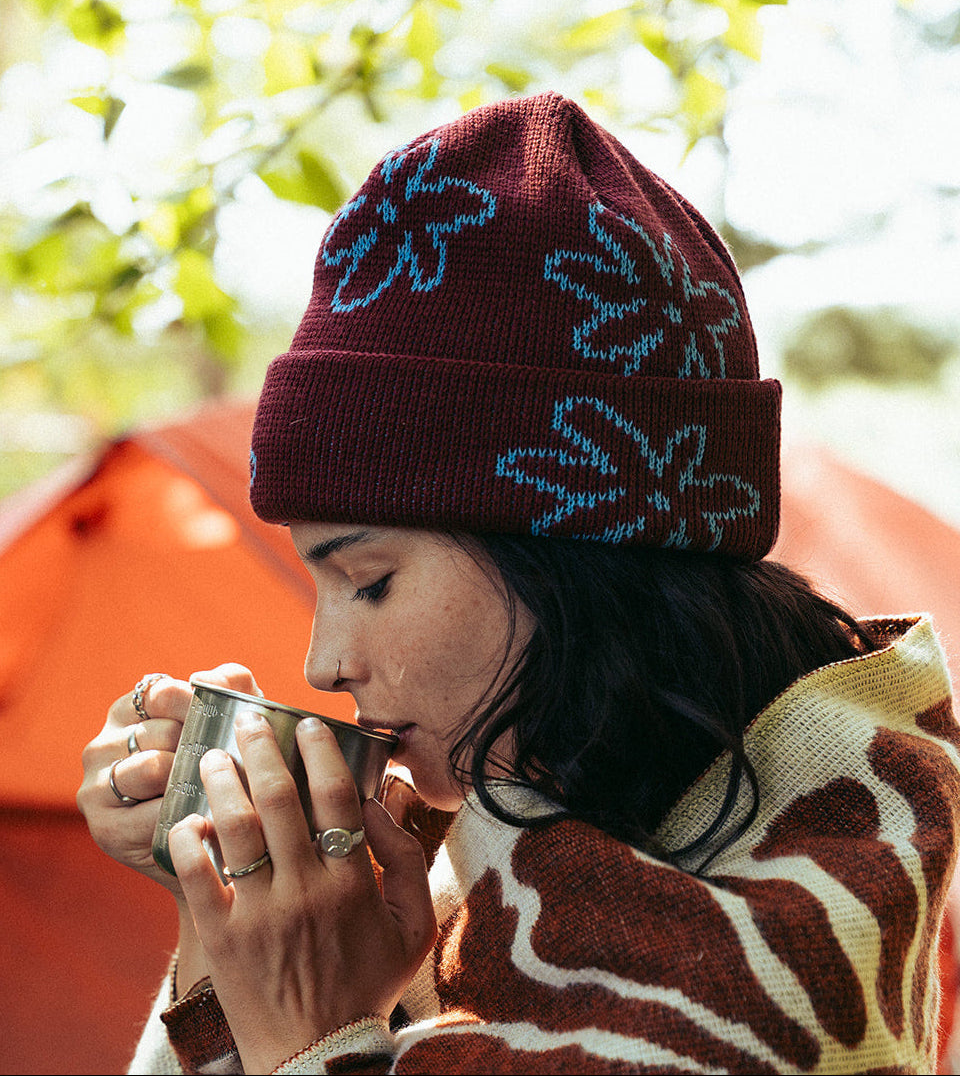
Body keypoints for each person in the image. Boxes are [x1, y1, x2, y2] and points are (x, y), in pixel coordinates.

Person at [77, 92, 960, 1075]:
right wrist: (230, 922)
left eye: (368, 581)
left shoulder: (792, 938)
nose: (324, 661)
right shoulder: (525, 835)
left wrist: (309, 1033)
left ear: (574, 555)